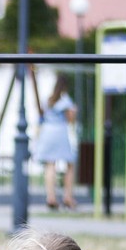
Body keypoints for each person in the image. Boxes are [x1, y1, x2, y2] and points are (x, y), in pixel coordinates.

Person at [33, 75, 77, 210]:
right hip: (60, 132)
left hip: (47, 132)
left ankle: (50, 197)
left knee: (50, 164)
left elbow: (41, 114)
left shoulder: (49, 99)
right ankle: (67, 197)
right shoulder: (65, 100)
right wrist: (74, 112)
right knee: (70, 164)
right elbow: (70, 119)